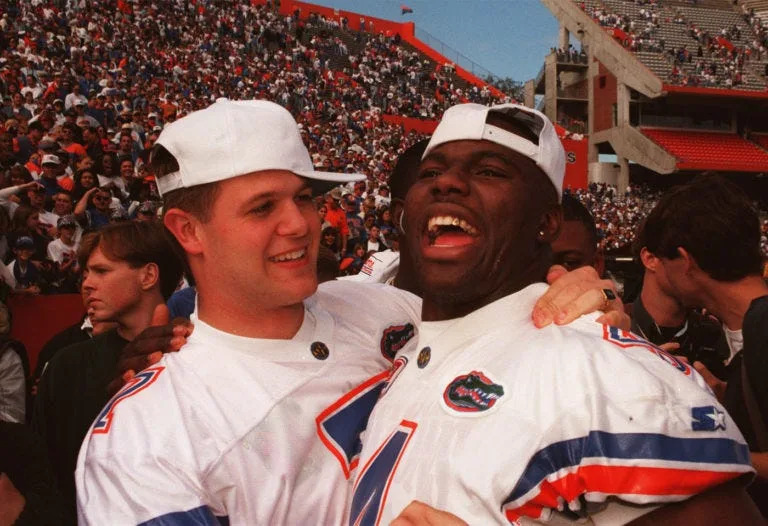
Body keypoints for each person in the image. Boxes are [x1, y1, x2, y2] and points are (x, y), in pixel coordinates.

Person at [78, 100, 627, 525]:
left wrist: (586, 301)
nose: (300, 225)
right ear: (188, 230)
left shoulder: (384, 305)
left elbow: (514, 334)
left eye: (305, 198)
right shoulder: (143, 437)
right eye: (263, 207)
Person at [350, 103, 759, 524]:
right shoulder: (392, 343)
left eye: (488, 171)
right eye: (430, 172)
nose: (446, 182)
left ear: (546, 223)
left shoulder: (600, 372)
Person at [32, 221, 184, 524]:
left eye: (101, 271)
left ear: (148, 276)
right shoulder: (67, 365)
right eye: (86, 273)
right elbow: (43, 474)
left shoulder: (193, 353)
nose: (87, 284)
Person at [634, 175, 768, 517]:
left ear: (685, 261)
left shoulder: (763, 324)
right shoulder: (748, 328)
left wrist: (702, 452)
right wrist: (725, 401)